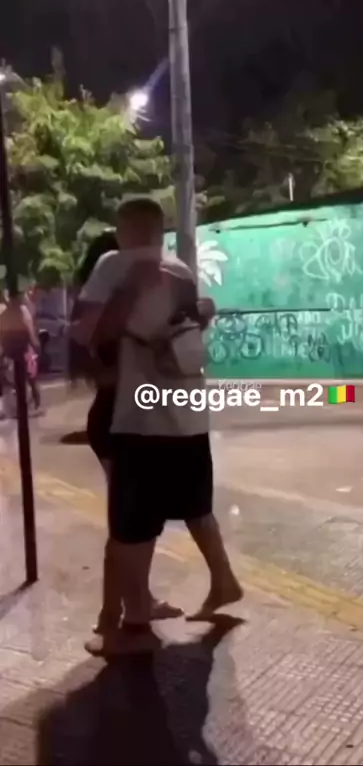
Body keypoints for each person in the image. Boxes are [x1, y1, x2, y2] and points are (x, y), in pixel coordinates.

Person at [72, 198, 242, 655]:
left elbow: (86, 333)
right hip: (187, 416)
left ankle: (133, 624)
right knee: (191, 507)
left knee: (130, 528)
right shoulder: (181, 270)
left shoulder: (113, 264)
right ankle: (217, 582)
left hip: (139, 420)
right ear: (160, 229)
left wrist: (127, 294)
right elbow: (188, 329)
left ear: (123, 230)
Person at [69, 228, 179, 633]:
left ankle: (134, 600)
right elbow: (104, 372)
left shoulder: (100, 307)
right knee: (128, 523)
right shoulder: (108, 310)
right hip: (119, 422)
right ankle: (112, 612)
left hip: (120, 419)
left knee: (134, 520)